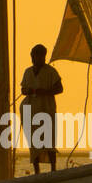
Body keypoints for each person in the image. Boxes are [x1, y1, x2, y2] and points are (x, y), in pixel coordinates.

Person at [20, 43, 64, 173]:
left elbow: (60, 88)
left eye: (37, 56)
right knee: (33, 141)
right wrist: (28, 90)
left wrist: (44, 91)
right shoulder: (28, 72)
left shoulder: (50, 71)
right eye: (32, 56)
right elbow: (23, 89)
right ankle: (36, 171)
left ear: (43, 57)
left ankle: (53, 169)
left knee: (49, 138)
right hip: (30, 110)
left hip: (46, 109)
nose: (34, 59)